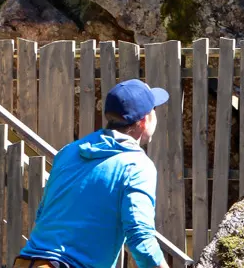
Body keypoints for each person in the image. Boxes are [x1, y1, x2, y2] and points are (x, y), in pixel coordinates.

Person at [15, 79, 171, 268]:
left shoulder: (68, 152)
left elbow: (42, 215)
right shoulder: (136, 165)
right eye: (154, 109)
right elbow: (141, 239)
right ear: (144, 120)